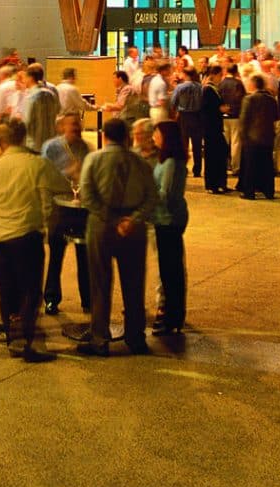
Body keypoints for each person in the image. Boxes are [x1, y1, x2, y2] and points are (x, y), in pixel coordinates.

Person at [0, 119, 70, 363]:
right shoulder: (36, 163)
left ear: (3, 140)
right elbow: (62, 186)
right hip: (28, 236)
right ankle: (28, 341)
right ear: (24, 137)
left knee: (7, 291)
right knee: (30, 290)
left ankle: (13, 339)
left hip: (0, 238)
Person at [76, 118, 160, 357]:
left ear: (104, 136)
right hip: (133, 229)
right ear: (126, 137)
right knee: (134, 284)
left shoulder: (93, 159)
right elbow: (152, 197)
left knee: (100, 284)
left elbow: (87, 195)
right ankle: (135, 337)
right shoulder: (141, 163)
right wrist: (132, 220)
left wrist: (111, 220)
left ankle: (99, 339)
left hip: (101, 225)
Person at [40, 112, 91, 315]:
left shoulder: (84, 147)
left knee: (84, 256)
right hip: (59, 207)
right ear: (62, 127)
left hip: (80, 208)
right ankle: (51, 298)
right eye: (72, 125)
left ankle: (87, 298)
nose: (76, 129)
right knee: (56, 255)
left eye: (78, 125)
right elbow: (44, 175)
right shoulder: (51, 147)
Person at [149, 120, 189, 336]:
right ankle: (173, 315)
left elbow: (166, 194)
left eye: (157, 133)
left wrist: (146, 198)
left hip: (168, 221)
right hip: (164, 219)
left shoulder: (172, 163)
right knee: (169, 270)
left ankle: (173, 316)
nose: (154, 137)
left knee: (171, 271)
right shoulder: (166, 160)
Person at [237, 75, 277, 200]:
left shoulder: (248, 99)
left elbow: (243, 120)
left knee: (250, 166)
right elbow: (276, 117)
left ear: (253, 85)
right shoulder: (271, 99)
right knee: (267, 165)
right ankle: (269, 191)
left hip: (252, 138)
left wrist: (243, 137)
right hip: (268, 137)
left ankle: (249, 192)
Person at [170, 67, 205, 178]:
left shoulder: (180, 87)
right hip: (197, 117)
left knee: (184, 144)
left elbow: (173, 102)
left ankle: (183, 168)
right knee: (197, 145)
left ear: (185, 74)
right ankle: (197, 170)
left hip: (183, 117)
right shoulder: (200, 87)